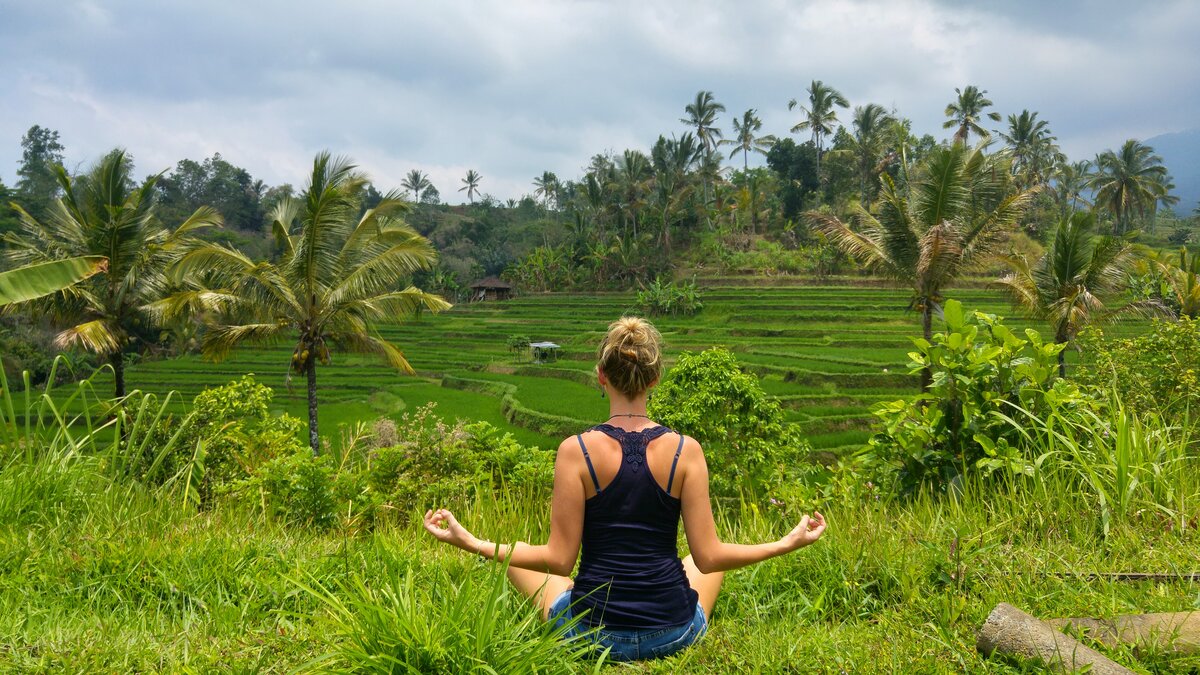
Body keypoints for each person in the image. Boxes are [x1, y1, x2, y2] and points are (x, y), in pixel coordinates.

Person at [423, 316, 826, 662]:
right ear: (654, 378)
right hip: (673, 632)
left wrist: (469, 540)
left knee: (516, 560)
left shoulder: (574, 452)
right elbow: (710, 557)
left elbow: (559, 560)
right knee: (698, 563)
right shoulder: (686, 451)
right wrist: (784, 543)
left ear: (601, 376)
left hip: (591, 636)